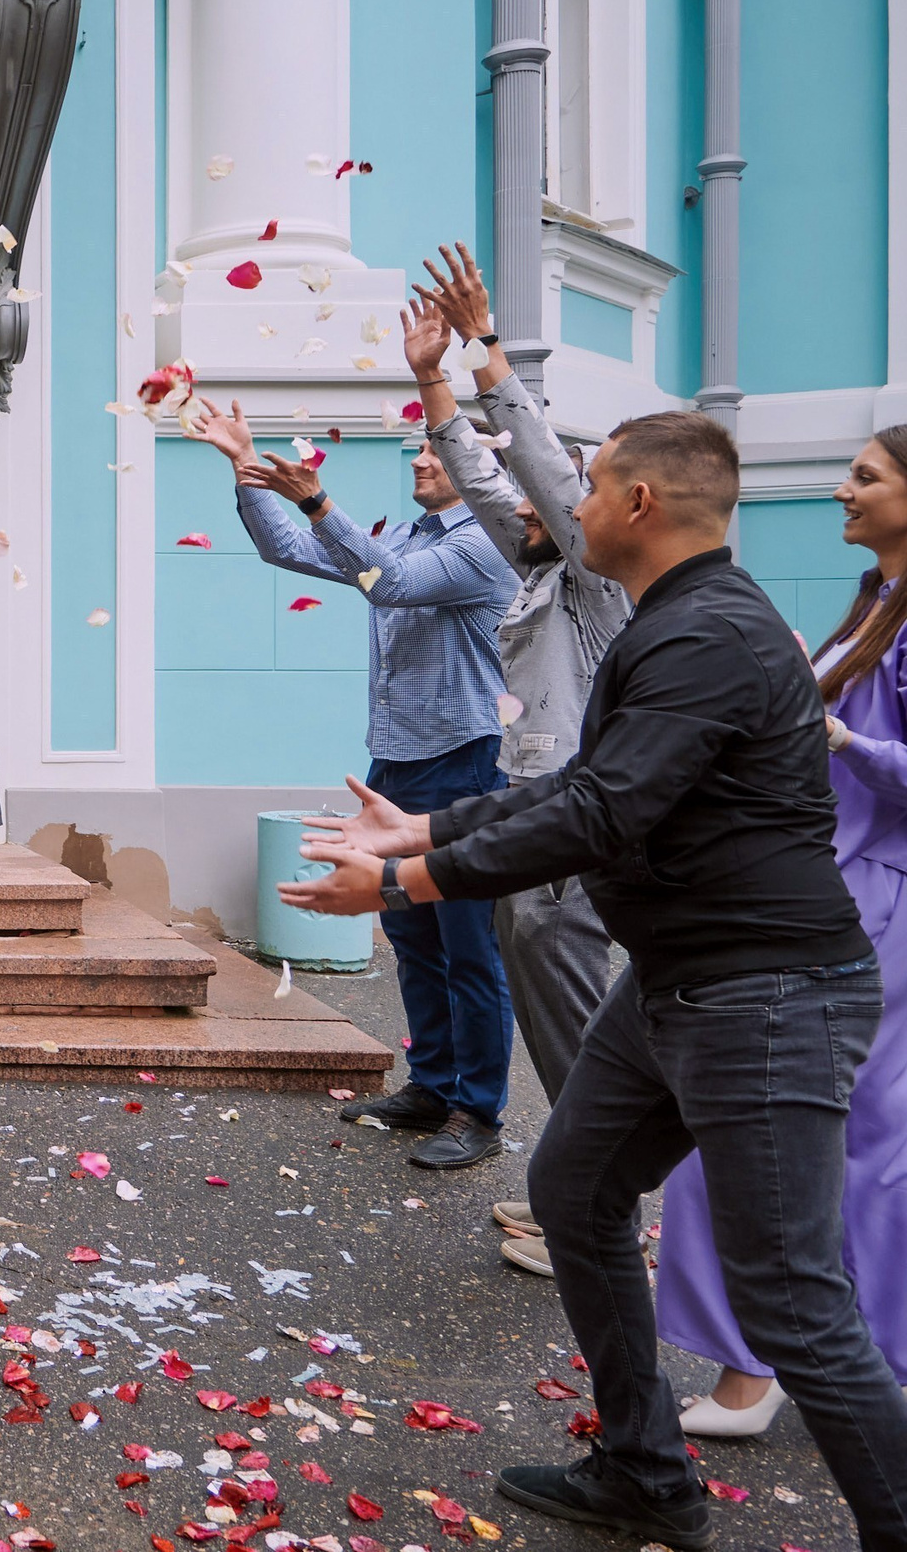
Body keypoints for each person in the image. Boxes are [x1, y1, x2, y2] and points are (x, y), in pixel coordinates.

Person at [282, 411, 907, 1552]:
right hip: (682, 980)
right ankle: (644, 1474)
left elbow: (600, 813)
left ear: (637, 506)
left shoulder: (708, 632)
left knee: (792, 1303)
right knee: (574, 1191)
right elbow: (585, 780)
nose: (568, 506)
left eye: (589, 487)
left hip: (765, 994)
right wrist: (421, 824)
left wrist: (405, 884)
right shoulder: (675, 620)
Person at [651, 425, 907, 1438]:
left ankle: (772, 1376)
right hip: (830, 891)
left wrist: (839, 734)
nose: (840, 489)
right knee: (813, 1137)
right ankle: (770, 1369)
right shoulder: (875, 602)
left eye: (866, 475)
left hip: (873, 907)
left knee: (782, 1129)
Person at [187, 394, 519, 1171]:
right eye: (420, 447)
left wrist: (324, 501)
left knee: (469, 945)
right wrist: (246, 466)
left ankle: (480, 1108)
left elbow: (390, 583)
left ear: (484, 466)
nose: (421, 457)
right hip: (397, 762)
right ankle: (432, 1086)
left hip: (467, 760)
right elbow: (295, 553)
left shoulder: (487, 546)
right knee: (409, 932)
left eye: (438, 449)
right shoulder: (404, 535)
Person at [405, 244, 631, 1269]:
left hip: (581, 828)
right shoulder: (540, 560)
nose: (523, 516)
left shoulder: (598, 579)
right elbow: (495, 488)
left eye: (550, 506)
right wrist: (429, 381)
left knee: (581, 1024)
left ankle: (601, 1214)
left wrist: (488, 348)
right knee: (554, 1014)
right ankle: (576, 1193)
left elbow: (536, 469)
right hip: (533, 816)